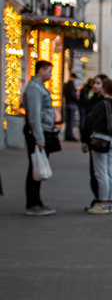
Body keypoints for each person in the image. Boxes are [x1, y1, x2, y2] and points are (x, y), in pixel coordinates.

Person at [22, 59, 58, 215]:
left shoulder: (38, 88)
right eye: (49, 71)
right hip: (38, 132)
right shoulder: (35, 89)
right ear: (41, 70)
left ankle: (36, 201)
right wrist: (40, 138)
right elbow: (35, 116)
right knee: (36, 167)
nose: (50, 74)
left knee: (37, 166)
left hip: (42, 130)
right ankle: (33, 203)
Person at [82, 75, 112, 214]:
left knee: (100, 172)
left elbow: (89, 120)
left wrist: (85, 139)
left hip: (100, 138)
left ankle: (103, 202)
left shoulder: (102, 104)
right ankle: (110, 202)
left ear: (104, 89)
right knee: (109, 170)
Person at [62, 72, 80, 141]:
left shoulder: (66, 85)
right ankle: (69, 135)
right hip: (71, 104)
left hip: (67, 103)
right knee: (71, 120)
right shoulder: (71, 85)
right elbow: (73, 95)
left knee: (68, 120)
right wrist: (76, 100)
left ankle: (68, 134)